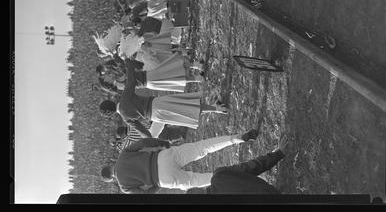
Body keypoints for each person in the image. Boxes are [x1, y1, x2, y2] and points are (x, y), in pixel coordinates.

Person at [100, 129, 260, 193]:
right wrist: (164, 144)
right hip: (161, 158)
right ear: (110, 165)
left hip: (162, 179)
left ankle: (247, 176)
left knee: (207, 179)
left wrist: (157, 186)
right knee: (202, 148)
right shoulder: (122, 155)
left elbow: (145, 195)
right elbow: (144, 143)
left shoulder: (124, 186)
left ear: (111, 179)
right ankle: (235, 138)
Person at [99, 59, 228, 134]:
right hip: (155, 104)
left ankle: (217, 109)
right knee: (186, 106)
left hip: (156, 117)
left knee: (185, 110)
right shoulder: (124, 99)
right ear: (110, 101)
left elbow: (145, 133)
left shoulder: (125, 118)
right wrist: (129, 64)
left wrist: (150, 142)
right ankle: (217, 108)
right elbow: (132, 81)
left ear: (111, 113)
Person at [186, 134, 289, 194]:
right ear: (199, 188)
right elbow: (252, 167)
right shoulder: (219, 176)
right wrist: (279, 153)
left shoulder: (220, 176)